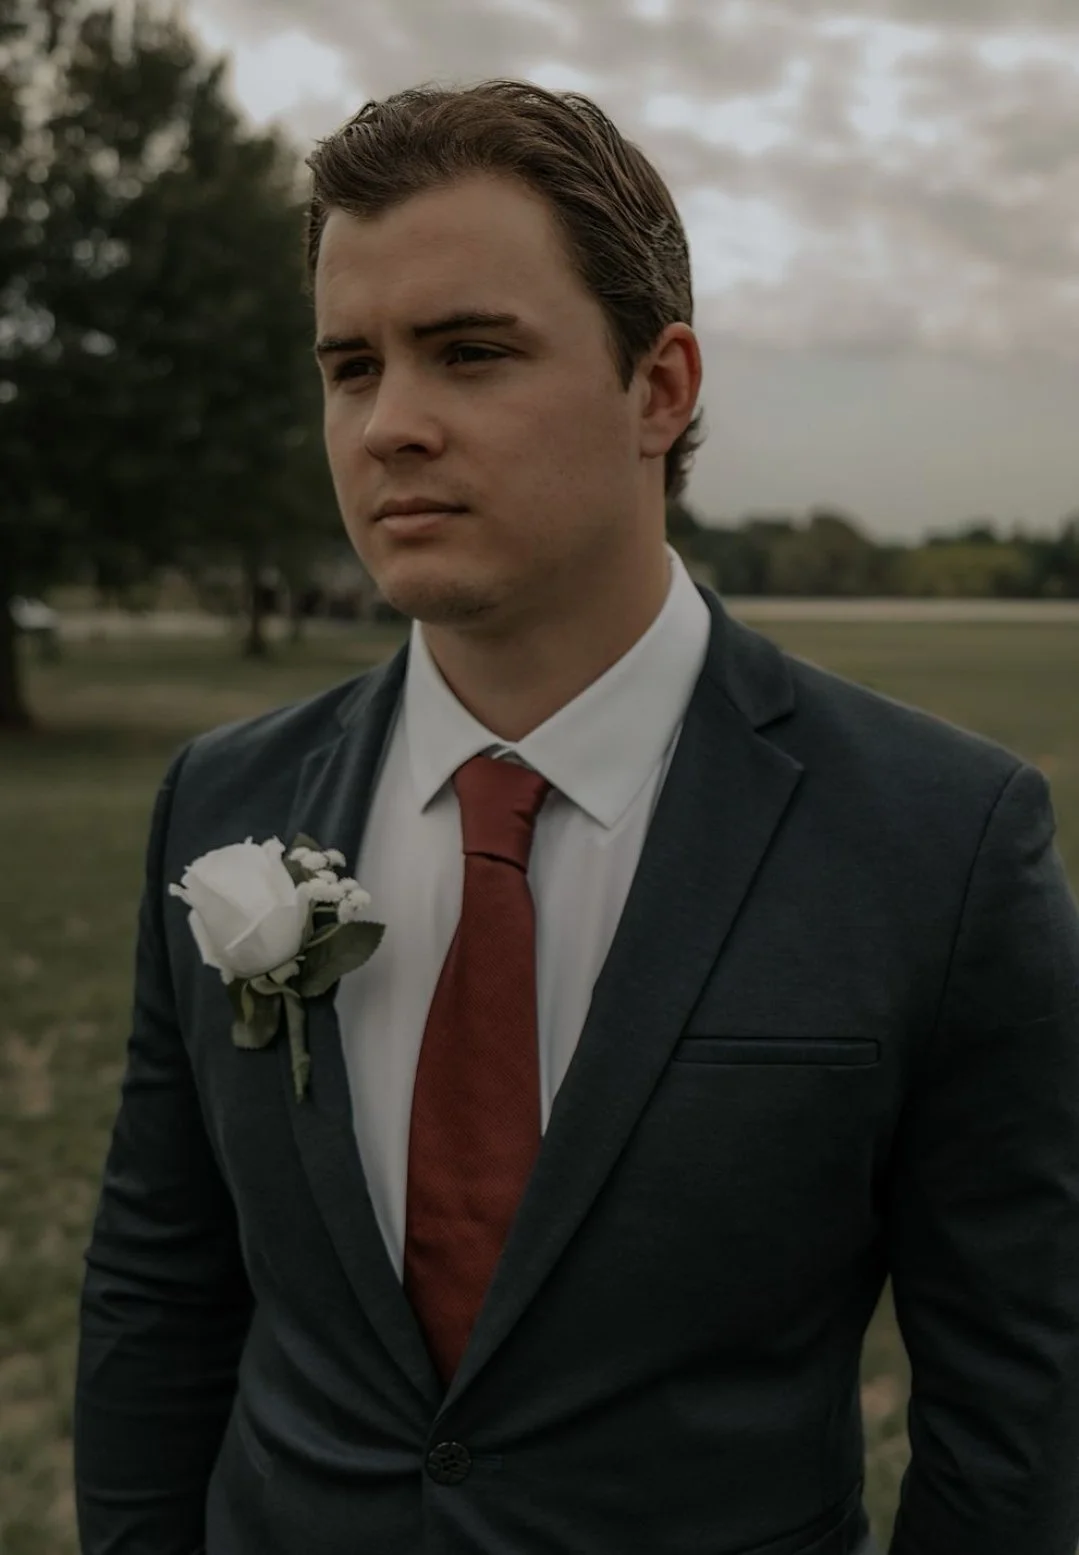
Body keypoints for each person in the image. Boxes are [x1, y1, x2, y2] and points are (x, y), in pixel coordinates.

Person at [74, 80, 1079, 1555]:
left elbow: (1019, 1409)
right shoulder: (220, 801)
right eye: (350, 366)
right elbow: (159, 1293)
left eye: (469, 353)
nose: (390, 423)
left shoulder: (941, 838)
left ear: (656, 389)